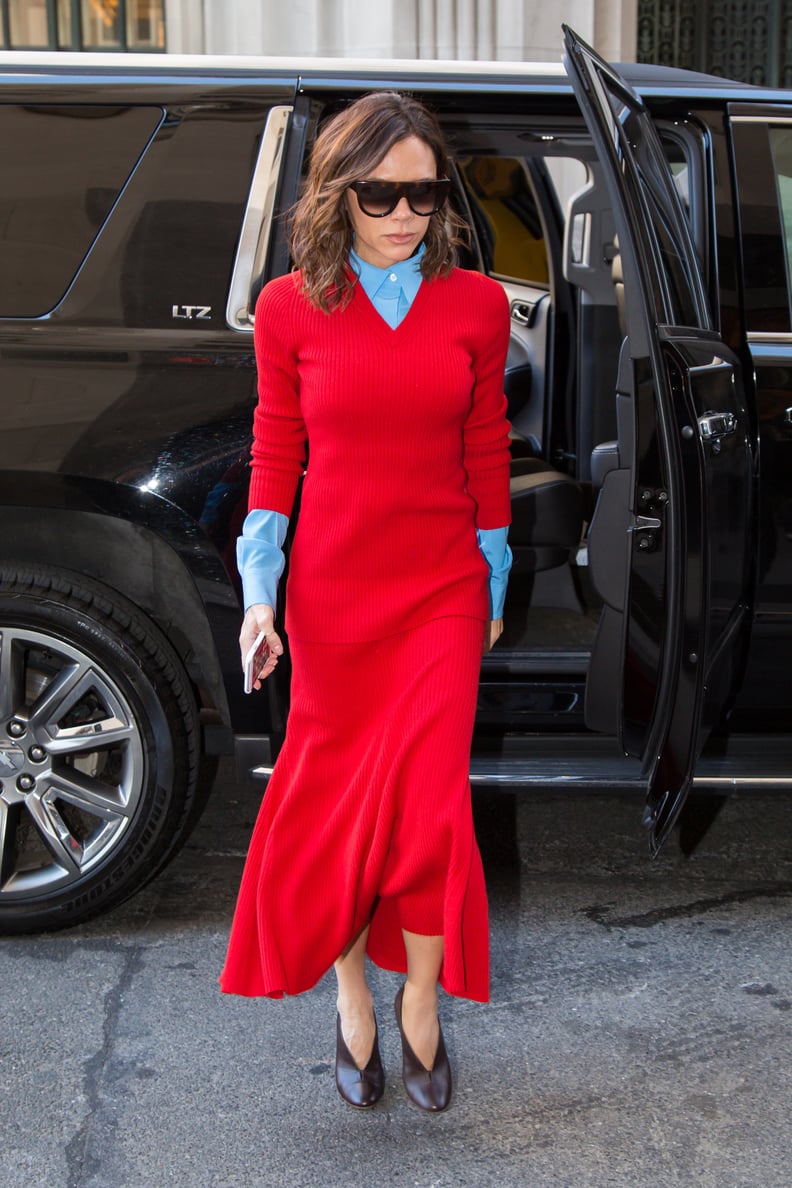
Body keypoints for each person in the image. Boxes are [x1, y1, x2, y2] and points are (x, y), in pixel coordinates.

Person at [219, 90, 512, 1114]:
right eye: (381, 192)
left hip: (440, 588)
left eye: (424, 193)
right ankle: (352, 999)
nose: (403, 213)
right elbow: (274, 456)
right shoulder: (290, 309)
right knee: (344, 812)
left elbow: (485, 449)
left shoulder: (476, 304)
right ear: (339, 193)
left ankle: (421, 1005)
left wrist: (496, 579)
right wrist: (262, 597)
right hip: (335, 595)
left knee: (429, 813)